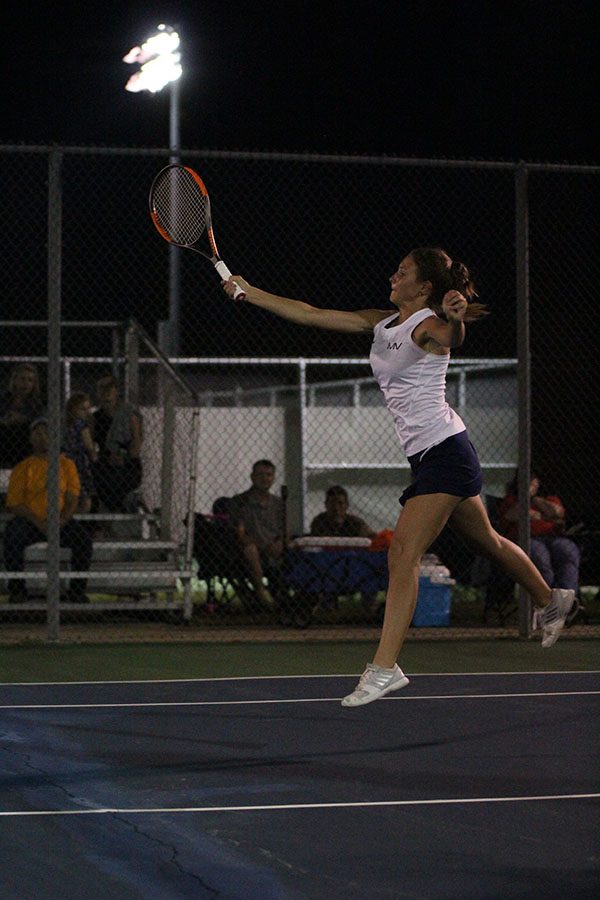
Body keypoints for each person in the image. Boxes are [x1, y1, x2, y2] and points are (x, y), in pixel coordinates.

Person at [222, 247, 577, 707]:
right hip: (438, 453)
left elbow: (449, 337)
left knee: (403, 553)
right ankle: (552, 599)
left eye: (403, 272)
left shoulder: (428, 324)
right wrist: (250, 293)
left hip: (445, 453)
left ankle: (384, 668)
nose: (393, 275)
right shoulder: (383, 322)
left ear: (424, 288)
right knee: (487, 539)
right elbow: (311, 314)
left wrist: (456, 318)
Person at [4, 418, 93, 603]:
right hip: (31, 521)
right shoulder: (23, 467)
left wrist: (61, 520)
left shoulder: (66, 464)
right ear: (30, 438)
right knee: (12, 536)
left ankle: (77, 591)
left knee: (83, 541)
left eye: (47, 432)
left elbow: (72, 498)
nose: (43, 437)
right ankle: (17, 590)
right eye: (37, 433)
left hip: (60, 520)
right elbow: (14, 503)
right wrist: (39, 522)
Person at [499, 470, 580, 595]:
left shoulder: (550, 499)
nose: (531, 486)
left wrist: (535, 500)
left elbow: (557, 513)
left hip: (553, 537)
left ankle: (567, 596)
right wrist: (526, 501)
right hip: (527, 538)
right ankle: (546, 598)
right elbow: (511, 515)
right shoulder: (512, 500)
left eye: (534, 483)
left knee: (568, 551)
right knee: (540, 556)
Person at [228, 459, 284, 606]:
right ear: (252, 477)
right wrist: (254, 542)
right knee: (251, 549)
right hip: (252, 550)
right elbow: (239, 533)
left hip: (273, 548)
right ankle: (261, 592)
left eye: (268, 475)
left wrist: (280, 543)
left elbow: (285, 531)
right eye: (260, 475)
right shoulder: (240, 501)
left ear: (273, 478)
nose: (264, 479)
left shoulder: (278, 504)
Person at [91, 375, 143, 512]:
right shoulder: (95, 418)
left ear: (117, 391)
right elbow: (90, 447)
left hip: (127, 463)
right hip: (105, 463)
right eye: (102, 389)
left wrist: (124, 458)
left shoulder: (129, 415)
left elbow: (136, 446)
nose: (106, 392)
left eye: (110, 388)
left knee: (124, 477)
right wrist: (104, 457)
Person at [0, 363, 45, 466]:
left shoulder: (36, 403)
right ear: (15, 380)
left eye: (30, 380)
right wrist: (5, 420)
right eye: (22, 379)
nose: (26, 383)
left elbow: (39, 422)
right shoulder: (4, 398)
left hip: (23, 441)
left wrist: (22, 419)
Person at [63, 391, 98, 513]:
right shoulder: (81, 424)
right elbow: (88, 446)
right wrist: (94, 456)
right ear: (73, 409)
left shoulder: (65, 424)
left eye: (88, 409)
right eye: (83, 409)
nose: (87, 412)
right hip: (79, 462)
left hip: (67, 460)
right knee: (85, 498)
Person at [310, 485, 376, 538]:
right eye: (332, 503)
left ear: (347, 505)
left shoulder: (356, 523)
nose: (336, 508)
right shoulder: (319, 522)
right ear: (326, 504)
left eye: (340, 503)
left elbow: (373, 536)